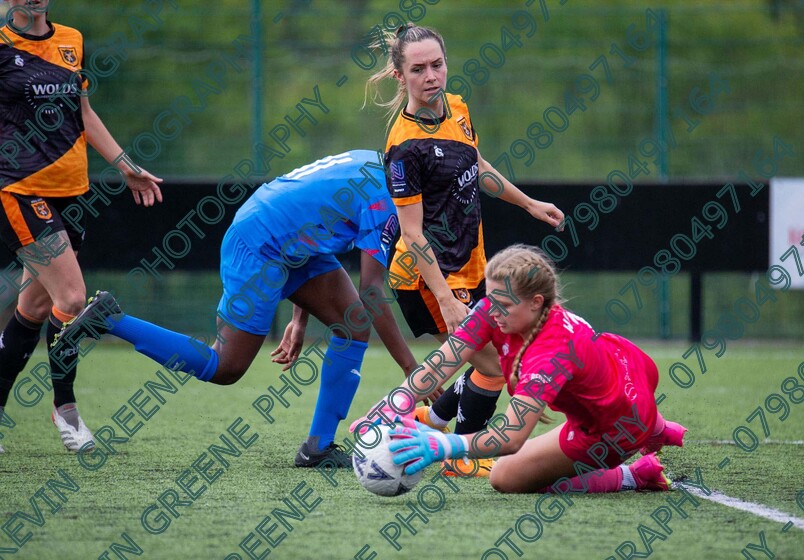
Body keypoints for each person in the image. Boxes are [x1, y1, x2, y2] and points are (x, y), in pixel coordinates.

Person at [53, 150, 420, 467]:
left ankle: (318, 448)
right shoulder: (384, 199)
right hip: (259, 242)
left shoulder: (377, 163)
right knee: (224, 367)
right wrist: (412, 370)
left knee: (352, 326)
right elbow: (371, 291)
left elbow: (315, 220)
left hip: (285, 236)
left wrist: (299, 316)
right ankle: (110, 318)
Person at [365, 23, 565, 477]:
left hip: (471, 268)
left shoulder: (457, 107)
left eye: (438, 65)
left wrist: (529, 203)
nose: (432, 76)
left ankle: (427, 421)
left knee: (491, 364)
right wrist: (446, 301)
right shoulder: (405, 147)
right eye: (418, 69)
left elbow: (476, 165)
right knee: (494, 366)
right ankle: (459, 456)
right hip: (426, 280)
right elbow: (412, 235)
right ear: (400, 76)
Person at [355, 244, 687, 494]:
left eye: (505, 305)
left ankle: (637, 473)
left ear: (537, 302)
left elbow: (511, 437)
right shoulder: (498, 308)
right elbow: (445, 359)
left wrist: (443, 446)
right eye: (491, 299)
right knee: (615, 401)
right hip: (628, 368)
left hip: (614, 427)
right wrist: (394, 403)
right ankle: (657, 428)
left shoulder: (551, 354)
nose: (493, 311)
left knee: (505, 478)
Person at [0, 0, 163, 453]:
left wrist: (125, 165)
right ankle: (66, 409)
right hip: (19, 189)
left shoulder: (72, 40)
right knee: (72, 297)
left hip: (72, 192)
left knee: (34, 309)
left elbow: (83, 114)